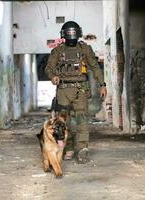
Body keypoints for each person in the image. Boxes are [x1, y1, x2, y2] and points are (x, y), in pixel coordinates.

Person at [45, 21, 107, 164]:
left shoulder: (85, 49)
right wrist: (53, 76)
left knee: (81, 120)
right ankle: (69, 148)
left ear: (78, 34)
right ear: (63, 35)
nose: (71, 36)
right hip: (63, 90)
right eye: (68, 33)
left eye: (73, 33)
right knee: (64, 122)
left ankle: (82, 149)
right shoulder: (58, 51)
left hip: (80, 90)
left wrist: (102, 85)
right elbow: (49, 68)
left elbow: (95, 67)